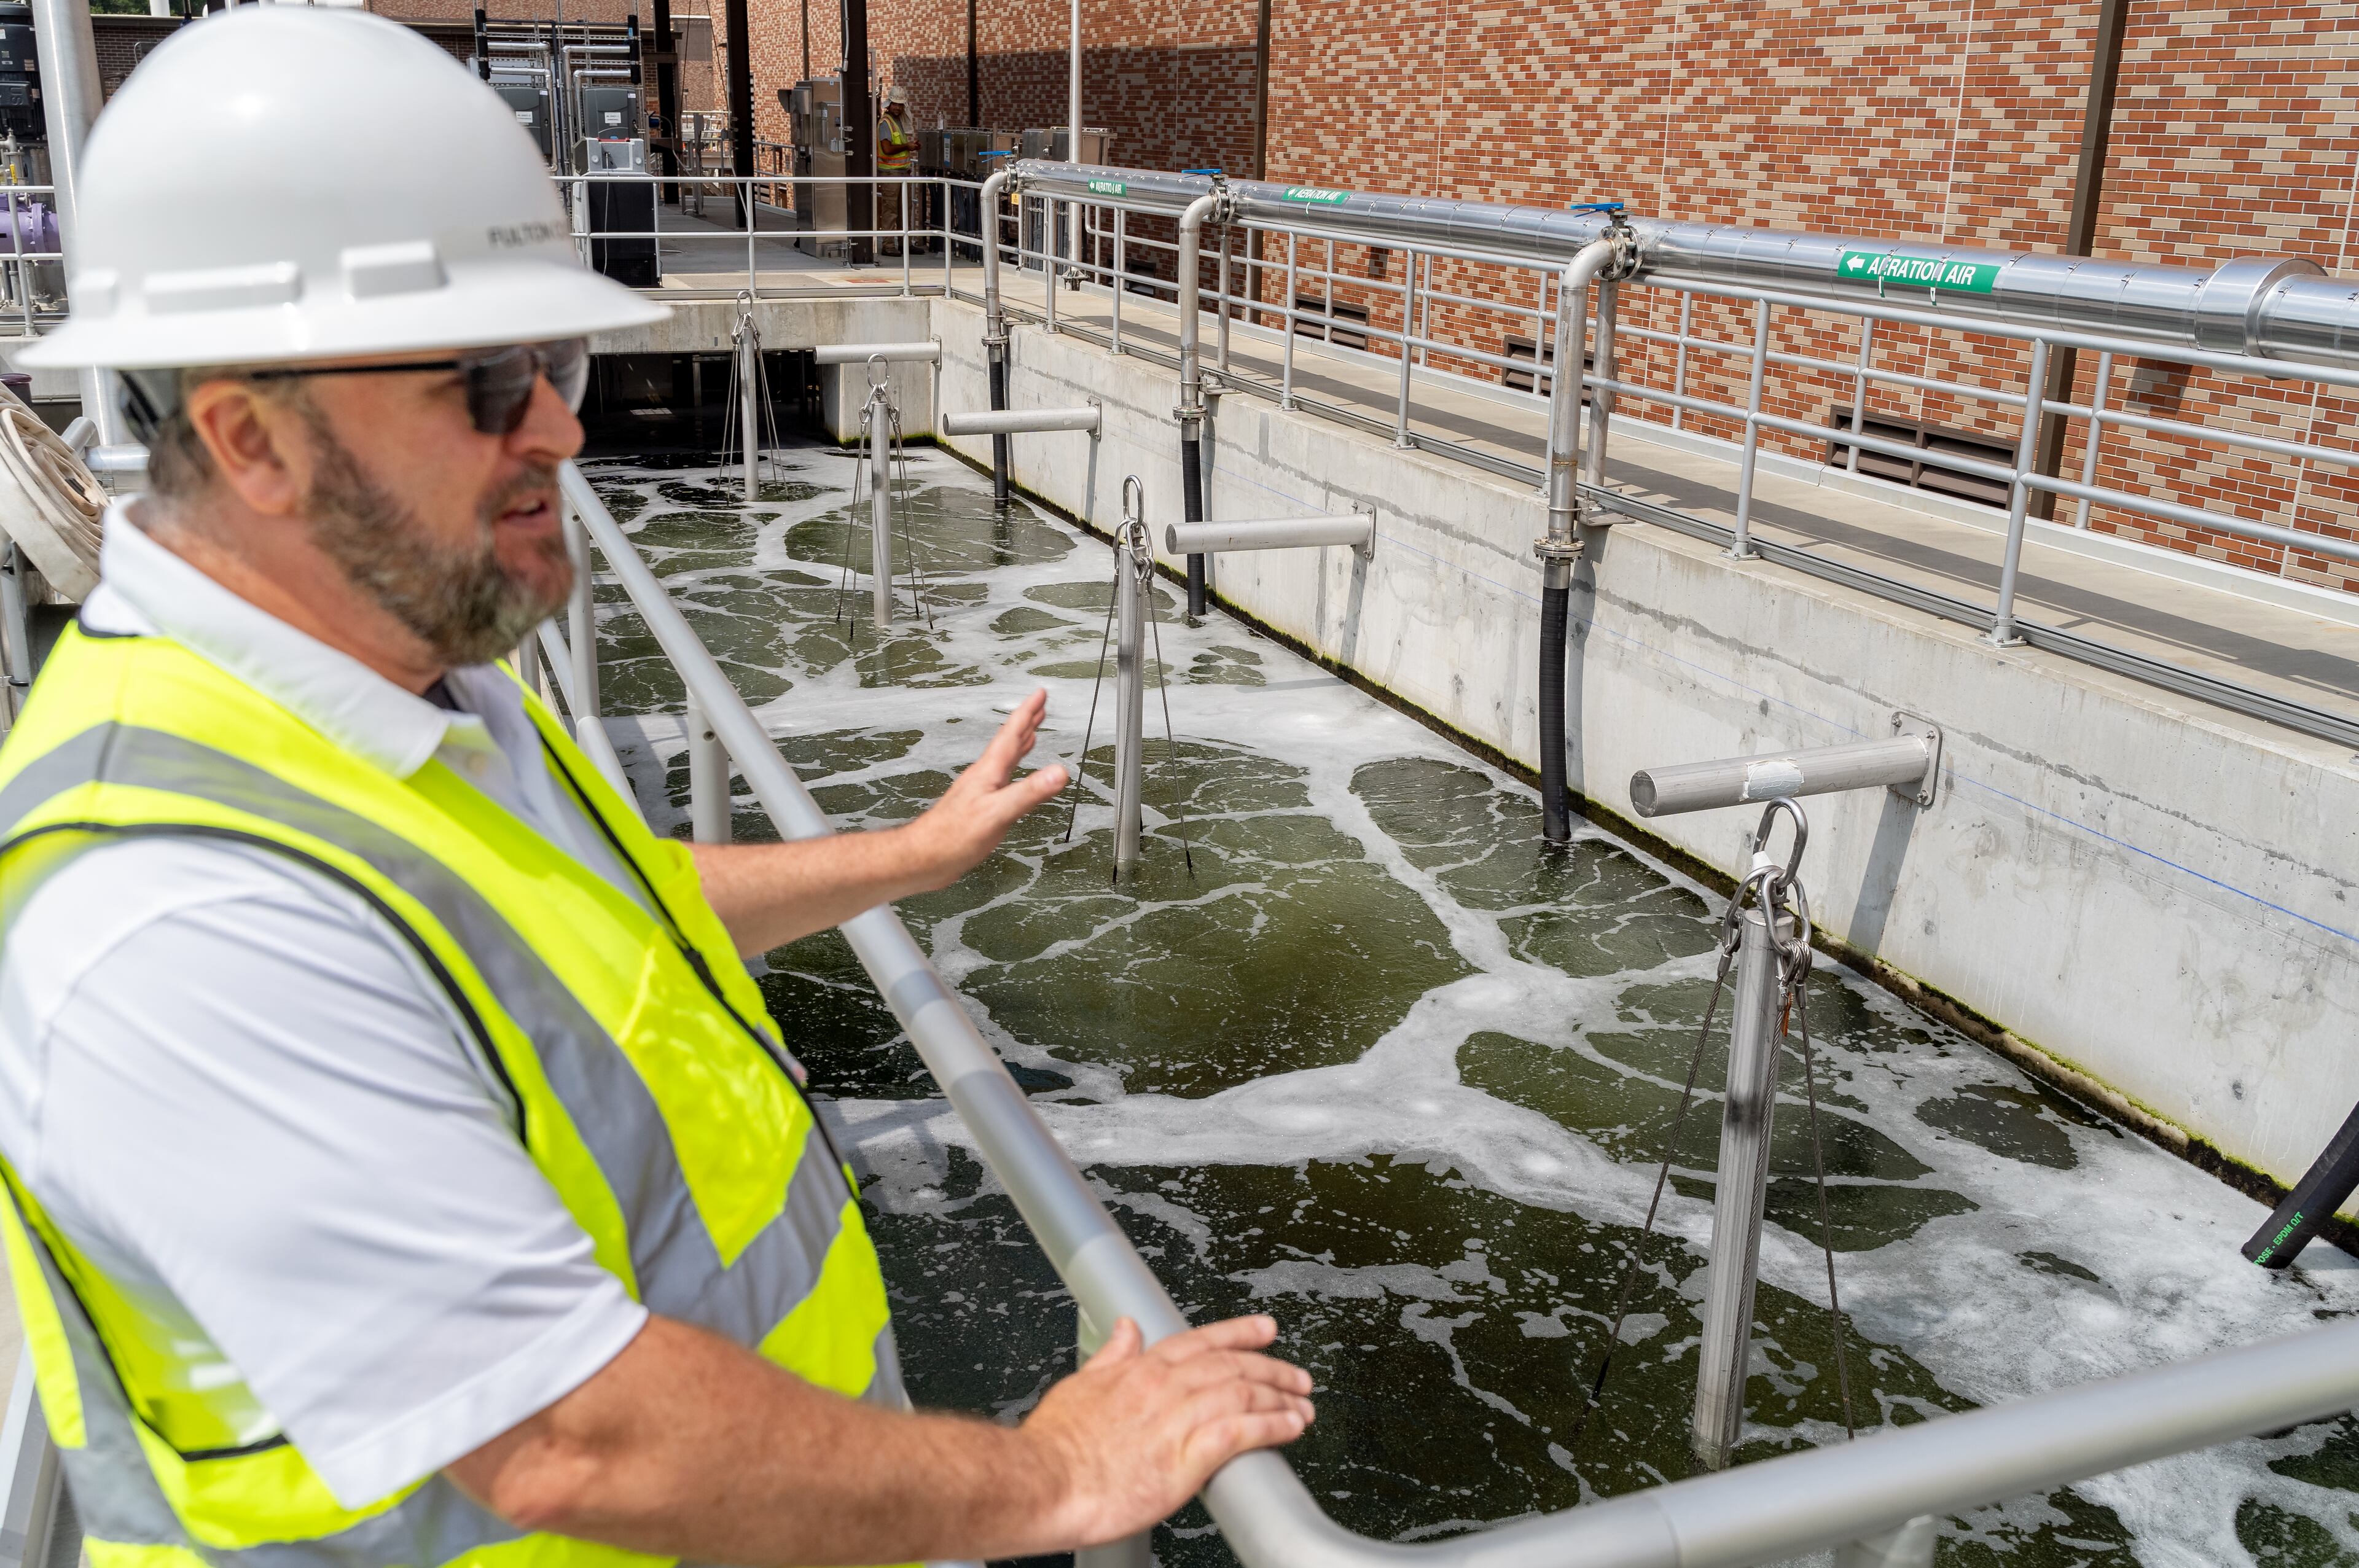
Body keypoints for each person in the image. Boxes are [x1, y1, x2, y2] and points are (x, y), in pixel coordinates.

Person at [0, 10, 1313, 1568]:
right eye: (486, 383)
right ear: (248, 439)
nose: (562, 421)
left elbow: (605, 920)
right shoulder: (170, 906)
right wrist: (1053, 1481)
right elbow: (570, 1436)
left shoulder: (403, 680)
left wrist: (908, 852)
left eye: (551, 359)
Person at [877, 83, 914, 255]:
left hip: (901, 172)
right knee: (891, 210)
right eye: (895, 104)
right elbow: (887, 149)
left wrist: (909, 147)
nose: (898, 107)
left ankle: (906, 243)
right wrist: (908, 146)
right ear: (889, 104)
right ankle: (889, 246)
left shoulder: (898, 122)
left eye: (900, 105)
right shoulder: (886, 123)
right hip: (890, 173)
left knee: (905, 210)